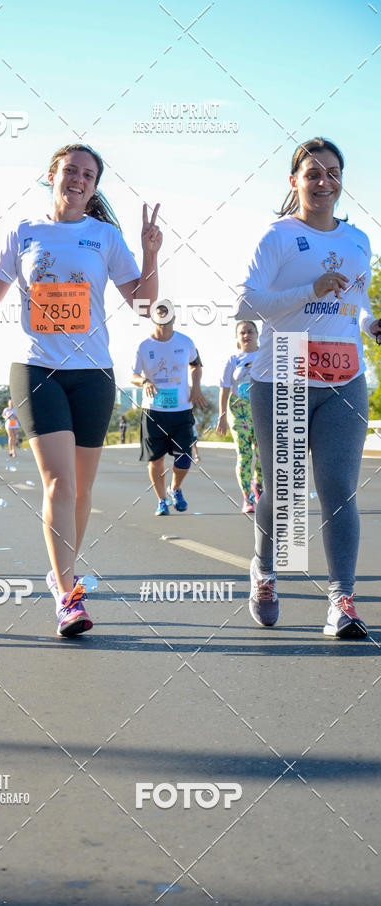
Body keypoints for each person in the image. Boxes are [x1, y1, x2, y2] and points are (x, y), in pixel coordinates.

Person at [0, 142, 162, 636]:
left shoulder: (105, 236)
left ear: (94, 187)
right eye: (70, 171)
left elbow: (144, 305)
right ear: (51, 175)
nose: (78, 179)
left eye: (88, 175)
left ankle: (63, 576)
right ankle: (67, 594)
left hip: (94, 373)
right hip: (37, 369)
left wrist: (150, 253)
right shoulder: (24, 232)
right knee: (59, 482)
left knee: (80, 489)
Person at [235, 137, 381, 639]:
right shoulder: (277, 236)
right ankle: (264, 569)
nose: (324, 182)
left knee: (339, 489)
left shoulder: (358, 240)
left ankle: (342, 602)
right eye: (313, 173)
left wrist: (371, 325)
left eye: (332, 173)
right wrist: (308, 290)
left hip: (345, 375)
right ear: (294, 181)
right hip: (285, 369)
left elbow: (355, 302)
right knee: (287, 490)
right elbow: (246, 303)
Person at [131, 302, 206, 515]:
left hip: (181, 409)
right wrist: (145, 381)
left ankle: (175, 488)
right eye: (159, 313)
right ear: (153, 318)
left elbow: (196, 365)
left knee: (184, 458)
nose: (163, 317)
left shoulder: (185, 342)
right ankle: (161, 500)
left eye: (167, 313)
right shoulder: (143, 346)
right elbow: (133, 375)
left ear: (173, 317)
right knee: (156, 460)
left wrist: (196, 387)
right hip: (153, 411)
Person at [217, 320, 263, 514]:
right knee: (244, 455)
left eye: (250, 331)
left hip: (261, 410)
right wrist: (222, 416)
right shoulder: (233, 359)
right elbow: (224, 388)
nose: (246, 335)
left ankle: (258, 486)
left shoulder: (265, 355)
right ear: (237, 337)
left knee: (262, 455)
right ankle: (247, 497)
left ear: (257, 334)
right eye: (242, 333)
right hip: (239, 411)